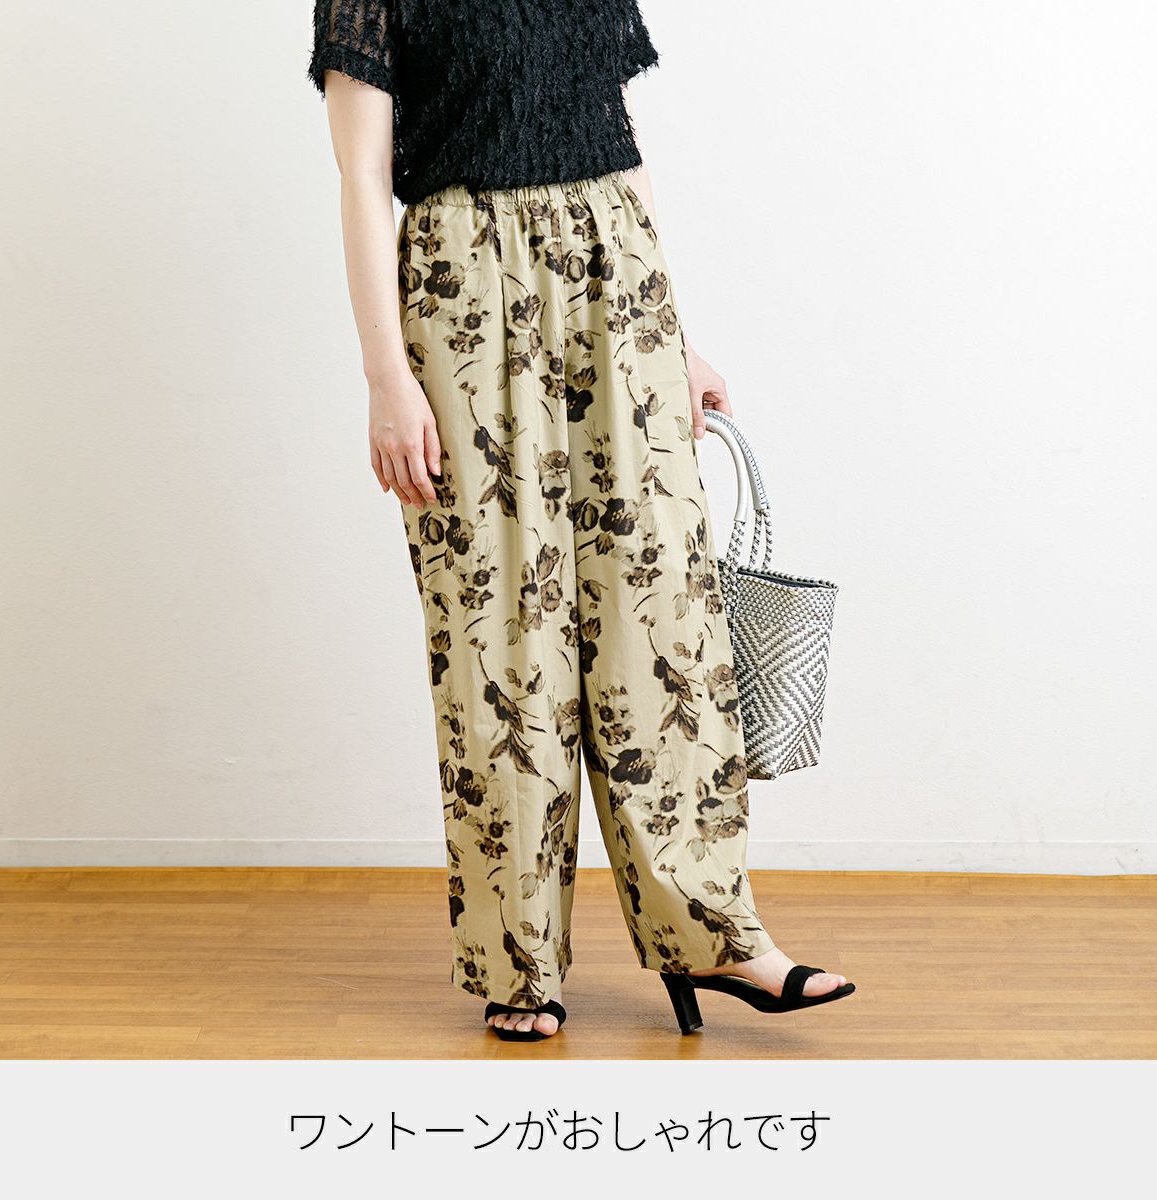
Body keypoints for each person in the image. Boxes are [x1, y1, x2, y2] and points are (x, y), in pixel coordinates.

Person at [308, 0, 855, 1041]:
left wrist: (675, 335)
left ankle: (715, 934)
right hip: (464, 288)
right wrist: (386, 376)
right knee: (502, 632)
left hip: (618, 282)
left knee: (664, 618)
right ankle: (520, 961)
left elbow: (619, 136)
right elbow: (362, 177)